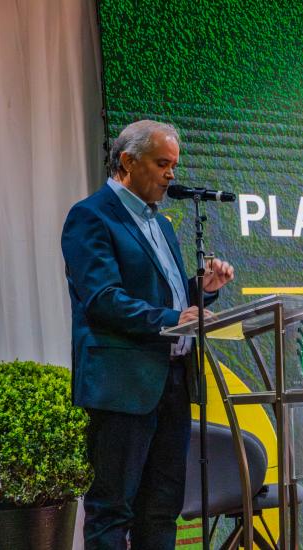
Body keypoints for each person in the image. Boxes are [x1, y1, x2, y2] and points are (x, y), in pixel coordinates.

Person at [61, 120, 235, 549]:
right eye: (162, 164)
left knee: (161, 508)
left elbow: (168, 297)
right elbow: (103, 299)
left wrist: (202, 290)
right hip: (123, 386)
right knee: (112, 510)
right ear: (127, 161)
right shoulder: (91, 216)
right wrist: (175, 317)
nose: (171, 174)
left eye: (174, 164)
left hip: (173, 381)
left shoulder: (163, 226)